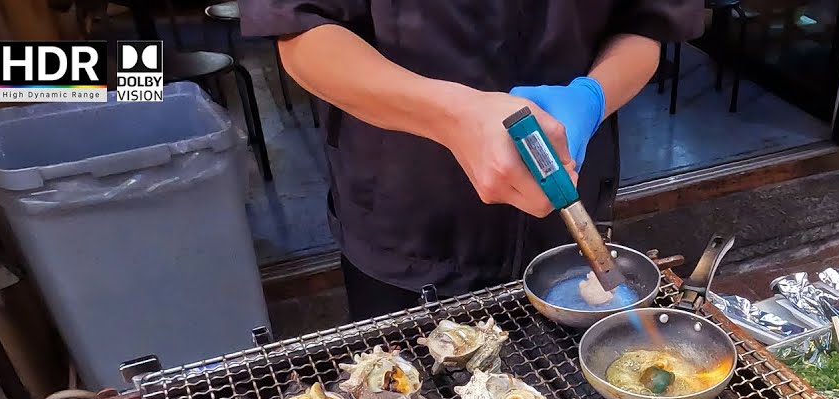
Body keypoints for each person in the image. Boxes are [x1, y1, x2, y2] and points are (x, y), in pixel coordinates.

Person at [241, 2, 705, 320]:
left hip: (563, 203)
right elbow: (301, 31)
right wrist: (448, 115)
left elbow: (646, 25)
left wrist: (591, 97)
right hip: (405, 216)